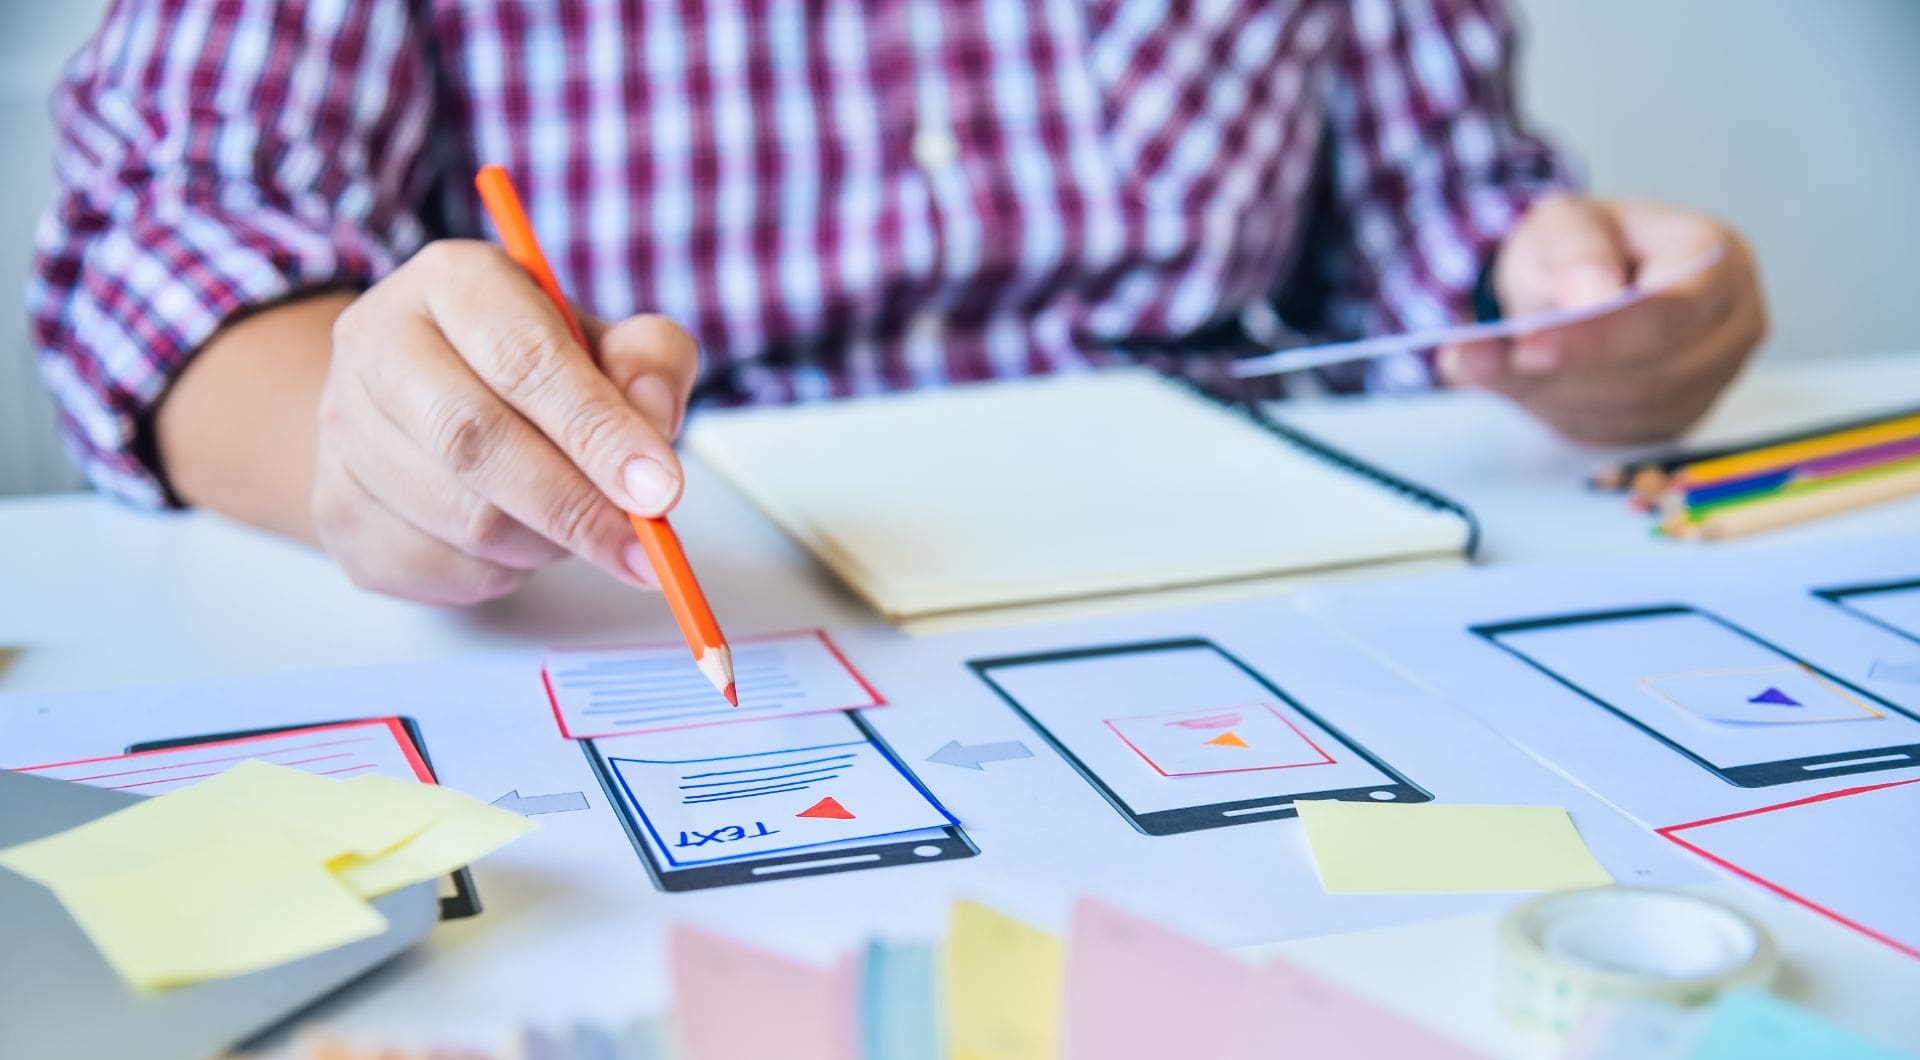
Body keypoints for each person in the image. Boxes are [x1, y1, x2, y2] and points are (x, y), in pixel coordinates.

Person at [30, 0, 1766, 607]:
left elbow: (1424, 192)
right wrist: (373, 452)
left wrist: (1548, 289)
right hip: (660, 569)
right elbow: (169, 237)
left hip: (1254, 555)